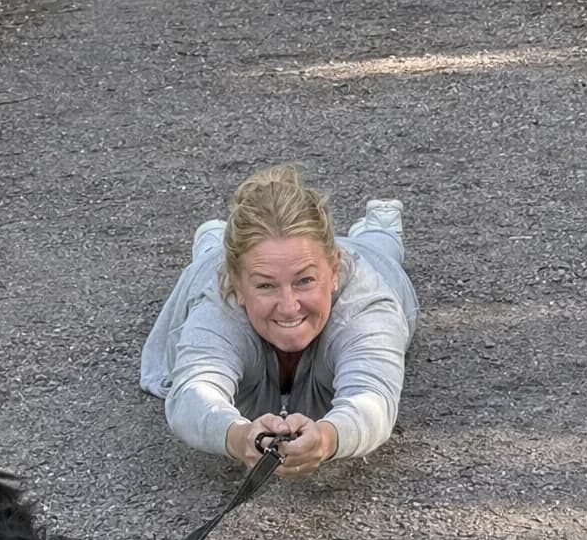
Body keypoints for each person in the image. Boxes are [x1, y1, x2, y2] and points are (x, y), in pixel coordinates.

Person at [140, 166, 418, 480]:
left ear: (334, 270)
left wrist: (327, 439)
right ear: (237, 285)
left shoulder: (368, 305)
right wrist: (239, 438)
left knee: (381, 250)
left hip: (374, 262)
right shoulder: (218, 304)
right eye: (265, 286)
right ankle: (211, 243)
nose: (288, 307)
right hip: (216, 269)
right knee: (207, 262)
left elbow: (372, 398)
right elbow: (193, 391)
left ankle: (381, 230)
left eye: (305, 281)